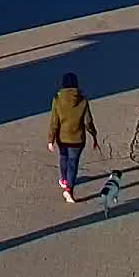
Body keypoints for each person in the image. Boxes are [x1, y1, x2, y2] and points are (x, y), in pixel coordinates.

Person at [46, 72, 100, 203]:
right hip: (78, 139)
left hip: (62, 138)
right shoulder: (82, 100)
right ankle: (69, 190)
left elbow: (54, 122)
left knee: (63, 157)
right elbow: (88, 122)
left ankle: (64, 180)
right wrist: (94, 136)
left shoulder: (57, 99)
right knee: (73, 163)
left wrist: (50, 140)